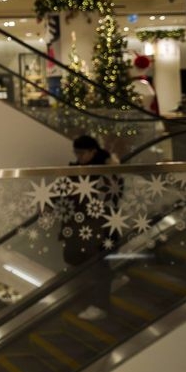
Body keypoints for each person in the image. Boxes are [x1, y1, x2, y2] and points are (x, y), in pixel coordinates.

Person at [62, 134, 121, 321]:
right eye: (76, 153)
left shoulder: (107, 170)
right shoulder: (79, 168)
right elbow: (64, 189)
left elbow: (112, 195)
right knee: (74, 256)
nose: (78, 157)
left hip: (101, 224)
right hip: (82, 224)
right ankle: (110, 283)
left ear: (92, 152)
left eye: (81, 153)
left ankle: (100, 305)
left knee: (98, 263)